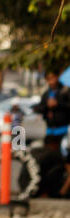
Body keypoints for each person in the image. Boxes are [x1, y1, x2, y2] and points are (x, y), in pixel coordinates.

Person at [34, 69, 70, 197]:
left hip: (64, 133)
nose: (51, 81)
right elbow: (40, 107)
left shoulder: (65, 91)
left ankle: (61, 190)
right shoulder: (46, 94)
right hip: (50, 134)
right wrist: (46, 107)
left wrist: (57, 104)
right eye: (48, 79)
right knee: (48, 162)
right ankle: (47, 190)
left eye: (53, 78)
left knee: (62, 162)